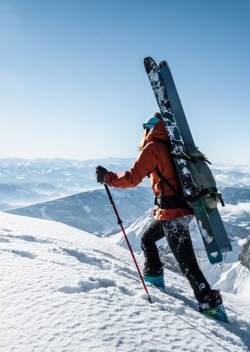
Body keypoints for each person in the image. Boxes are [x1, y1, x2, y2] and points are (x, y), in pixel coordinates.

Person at [95, 112, 223, 313]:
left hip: (173, 213)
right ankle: (155, 281)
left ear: (149, 128)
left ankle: (211, 305)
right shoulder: (173, 145)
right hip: (180, 210)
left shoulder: (153, 147)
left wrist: (107, 177)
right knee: (147, 239)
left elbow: (132, 178)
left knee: (187, 264)